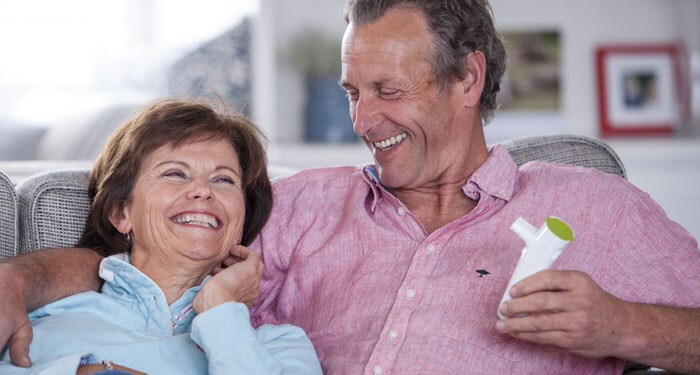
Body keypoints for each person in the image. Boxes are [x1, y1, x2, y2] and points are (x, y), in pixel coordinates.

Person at [1, 0, 699, 374]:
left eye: (387, 91)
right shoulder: (306, 203)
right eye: (351, 92)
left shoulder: (595, 208)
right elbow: (158, 262)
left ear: (467, 79)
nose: (363, 120)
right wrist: (20, 278)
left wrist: (621, 325)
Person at [0, 99, 322, 374]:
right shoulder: (40, 318)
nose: (202, 191)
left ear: (241, 220)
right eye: (175, 173)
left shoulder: (281, 347)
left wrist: (221, 308)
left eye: (224, 180)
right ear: (120, 213)